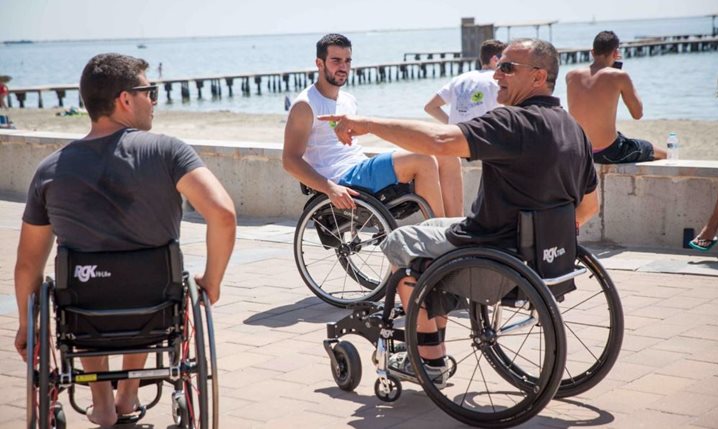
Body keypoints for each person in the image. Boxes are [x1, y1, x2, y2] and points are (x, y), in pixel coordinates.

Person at [320, 39, 599, 387]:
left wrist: (367, 124)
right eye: (500, 66)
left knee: (399, 242)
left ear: (539, 77)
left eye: (508, 68)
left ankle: (429, 357)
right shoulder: (572, 128)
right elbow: (589, 206)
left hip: (490, 244)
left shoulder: (513, 123)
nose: (497, 73)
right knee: (435, 226)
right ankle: (432, 318)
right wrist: (544, 235)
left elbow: (439, 140)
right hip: (541, 253)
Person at [14, 53, 237, 428]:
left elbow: (27, 264)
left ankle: (101, 404)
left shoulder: (50, 170)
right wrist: (211, 281)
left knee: (81, 289)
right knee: (147, 290)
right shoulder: (167, 152)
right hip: (155, 310)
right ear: (125, 99)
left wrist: (25, 323)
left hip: (83, 313)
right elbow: (224, 215)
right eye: (149, 91)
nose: (155, 99)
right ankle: (128, 393)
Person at [283, 33, 449, 217]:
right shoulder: (305, 105)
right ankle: (439, 238)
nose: (343, 67)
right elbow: (290, 160)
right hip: (342, 178)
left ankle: (455, 233)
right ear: (319, 63)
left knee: (446, 157)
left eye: (347, 61)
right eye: (336, 61)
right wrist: (330, 188)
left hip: (360, 167)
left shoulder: (348, 100)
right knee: (422, 158)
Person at [423, 39, 506, 216]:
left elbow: (430, 107)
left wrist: (453, 126)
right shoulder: (498, 82)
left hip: (456, 145)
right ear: (495, 59)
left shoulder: (461, 78)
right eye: (505, 59)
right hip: (483, 148)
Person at [566, 30, 666, 164]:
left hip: (580, 151)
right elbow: (638, 114)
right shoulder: (619, 76)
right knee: (664, 154)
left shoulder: (571, 76)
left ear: (592, 52)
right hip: (608, 152)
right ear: (616, 54)